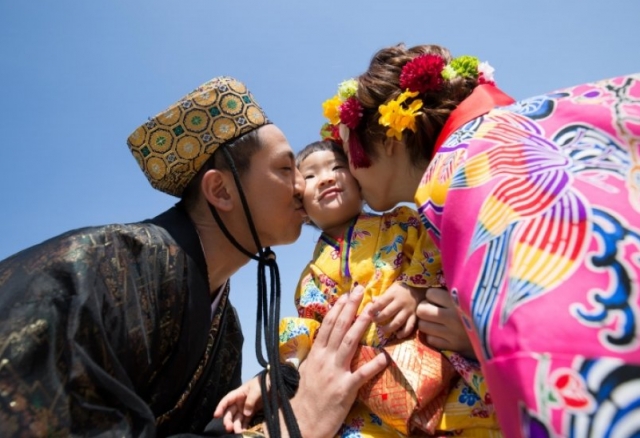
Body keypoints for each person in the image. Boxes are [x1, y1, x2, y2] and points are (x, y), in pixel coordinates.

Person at [0, 76, 388, 438]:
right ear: (220, 191)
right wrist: (297, 423)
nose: (303, 185)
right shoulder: (95, 268)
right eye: (286, 168)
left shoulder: (227, 332)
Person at [327, 43, 640, 437]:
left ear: (389, 142)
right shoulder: (507, 131)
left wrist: (484, 333)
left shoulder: (459, 170)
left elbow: (556, 310)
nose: (348, 171)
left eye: (348, 151)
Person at [215, 138, 502, 437]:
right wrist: (276, 375)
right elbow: (306, 332)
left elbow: (438, 243)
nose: (326, 177)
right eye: (310, 176)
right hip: (368, 394)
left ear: (360, 181)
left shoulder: (403, 222)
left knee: (477, 422)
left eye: (338, 167)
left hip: (434, 361)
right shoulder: (311, 278)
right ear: (300, 206)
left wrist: (413, 288)